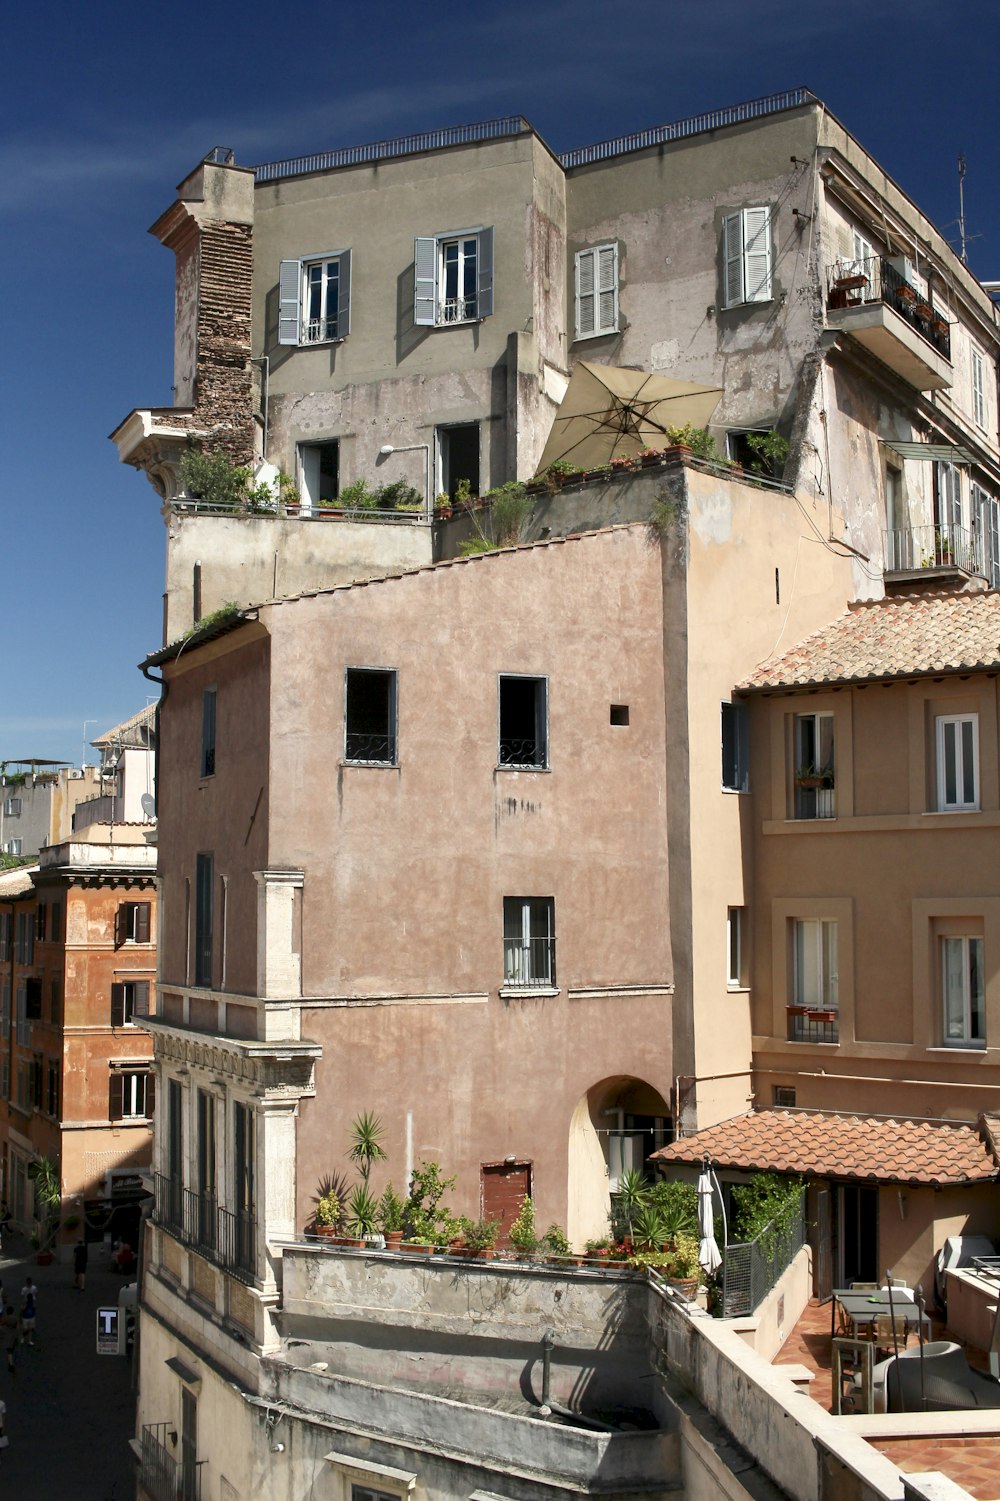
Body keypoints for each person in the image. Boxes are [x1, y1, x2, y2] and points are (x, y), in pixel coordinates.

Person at [19, 1278, 37, 1346]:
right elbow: (22, 1309)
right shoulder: (25, 1303)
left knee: (30, 1329)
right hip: (26, 1317)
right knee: (25, 1329)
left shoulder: (33, 1303)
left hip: (31, 1317)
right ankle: (23, 1337)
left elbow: (34, 1309)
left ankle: (29, 1340)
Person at [1, 1306, 17, 1374]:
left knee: (9, 1351)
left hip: (8, 1335)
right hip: (14, 1335)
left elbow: (1, 1324)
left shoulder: (6, 1319)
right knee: (11, 1350)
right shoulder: (15, 1318)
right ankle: (11, 1363)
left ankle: (11, 1364)